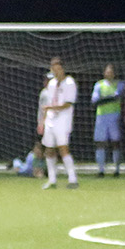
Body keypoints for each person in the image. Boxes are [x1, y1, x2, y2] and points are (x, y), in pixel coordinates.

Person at [40, 57, 79, 189]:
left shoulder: (69, 82)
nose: (56, 71)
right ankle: (52, 180)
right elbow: (49, 103)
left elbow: (67, 104)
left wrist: (50, 108)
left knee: (63, 148)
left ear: (62, 69)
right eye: (53, 69)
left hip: (63, 120)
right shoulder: (51, 84)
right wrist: (43, 121)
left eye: (58, 68)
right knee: (49, 149)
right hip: (51, 119)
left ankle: (72, 179)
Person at [91, 64, 124, 177]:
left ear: (114, 73)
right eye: (107, 71)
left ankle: (117, 170)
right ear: (104, 73)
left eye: (111, 71)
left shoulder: (119, 84)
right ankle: (101, 170)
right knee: (100, 143)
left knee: (116, 143)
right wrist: (110, 98)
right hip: (101, 117)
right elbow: (95, 101)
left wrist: (103, 99)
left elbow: (118, 96)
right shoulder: (99, 84)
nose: (109, 73)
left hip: (115, 116)